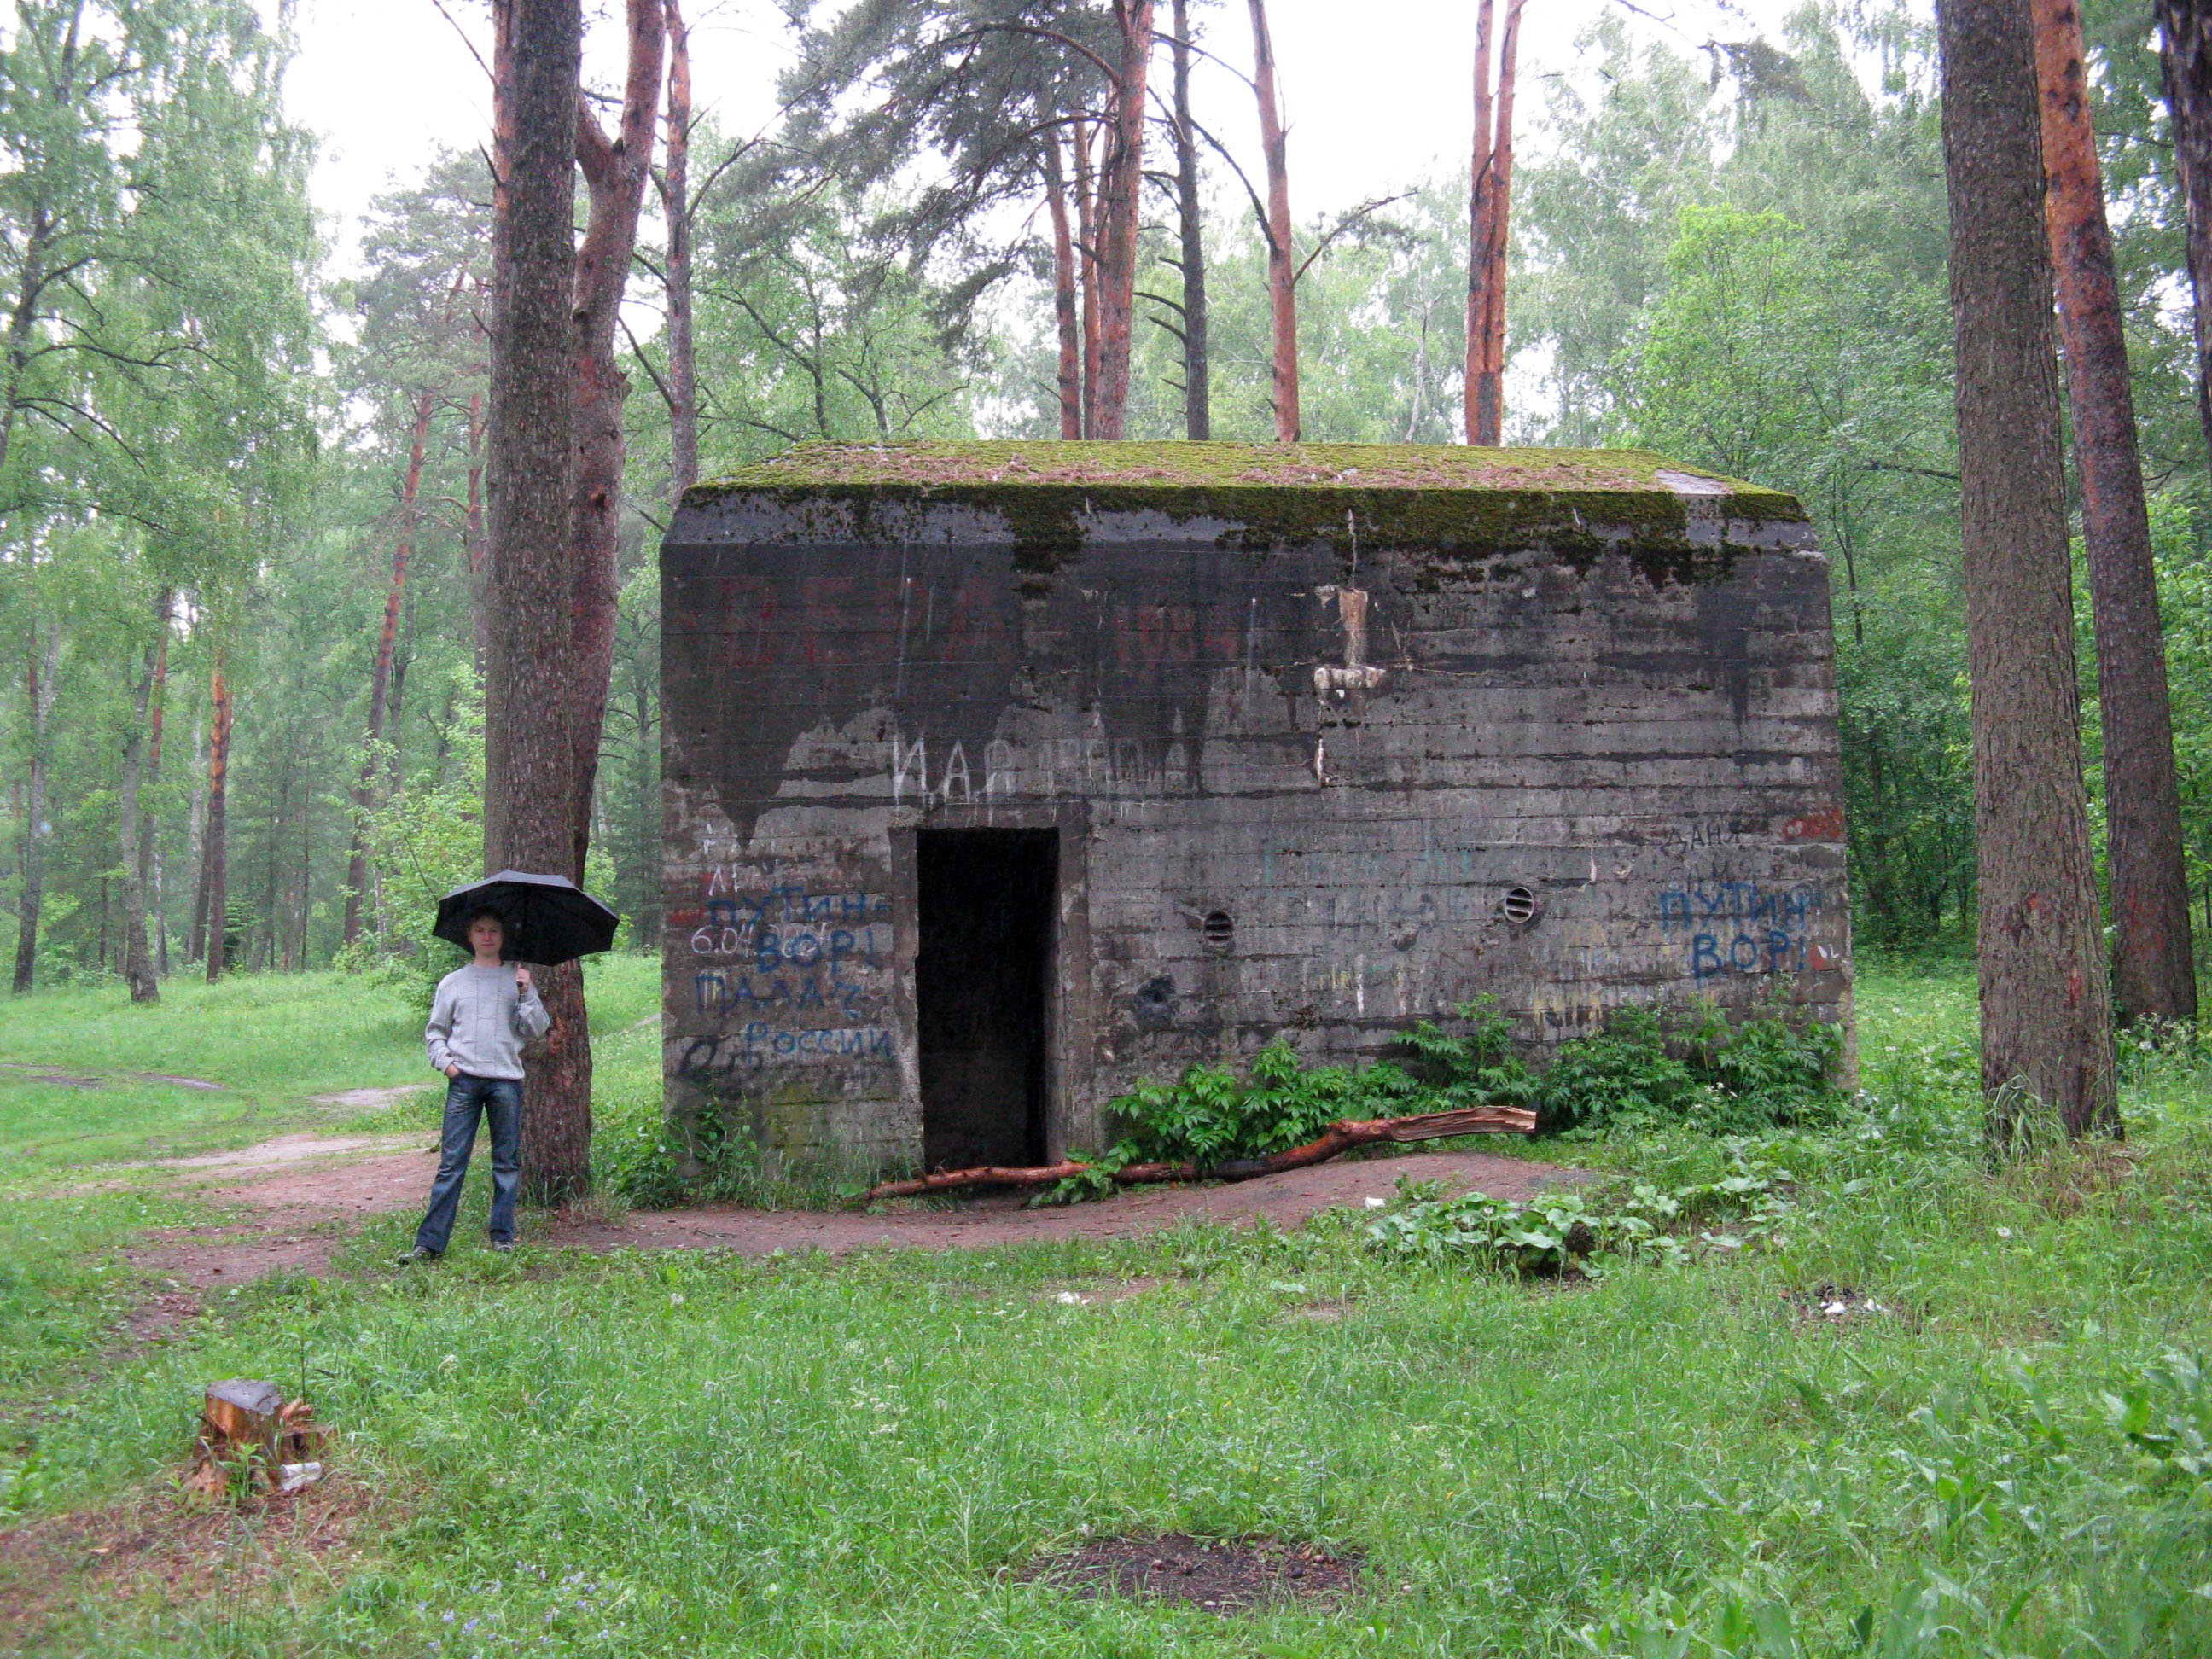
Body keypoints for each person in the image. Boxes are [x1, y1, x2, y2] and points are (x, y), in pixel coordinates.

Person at [404, 908, 550, 1260]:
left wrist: (527, 992)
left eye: (494, 931)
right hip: (465, 1081)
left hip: (506, 1081)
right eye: (481, 931)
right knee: (452, 1163)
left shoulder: (517, 979)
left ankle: (503, 1237)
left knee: (506, 1163)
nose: (487, 936)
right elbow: (435, 1031)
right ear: (470, 937)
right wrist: (448, 1066)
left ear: (502, 936)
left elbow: (537, 1030)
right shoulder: (453, 982)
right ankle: (429, 1244)